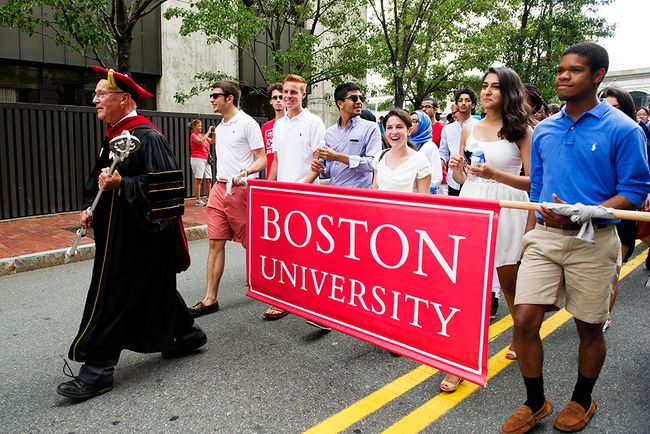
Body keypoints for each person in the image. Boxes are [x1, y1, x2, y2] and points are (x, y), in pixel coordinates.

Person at [501, 42, 650, 434]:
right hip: (545, 239)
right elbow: (539, 184)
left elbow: (634, 188)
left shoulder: (623, 129)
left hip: (593, 239)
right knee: (526, 320)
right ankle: (536, 402)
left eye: (575, 70)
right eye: (561, 69)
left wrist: (595, 208)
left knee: (588, 326)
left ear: (598, 76)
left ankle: (583, 399)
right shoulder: (546, 129)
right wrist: (535, 219)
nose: (563, 76)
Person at [57, 66, 206, 401]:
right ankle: (188, 335)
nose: (94, 99)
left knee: (111, 298)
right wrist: (88, 207)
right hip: (117, 232)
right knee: (155, 289)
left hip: (139, 237)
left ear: (123, 99)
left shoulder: (148, 137)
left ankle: (97, 371)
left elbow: (169, 191)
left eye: (100, 94)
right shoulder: (115, 134)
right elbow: (99, 179)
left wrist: (125, 184)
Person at [446, 67, 533, 393]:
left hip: (508, 205)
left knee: (508, 282)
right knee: (470, 284)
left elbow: (535, 180)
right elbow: (465, 180)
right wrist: (457, 171)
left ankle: (519, 335)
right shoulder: (470, 129)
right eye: (484, 86)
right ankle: (459, 360)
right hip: (473, 203)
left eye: (494, 87)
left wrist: (497, 176)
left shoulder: (521, 129)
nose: (486, 92)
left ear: (508, 91)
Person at [188, 80, 266, 317]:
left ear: (229, 98)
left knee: (252, 243)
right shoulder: (219, 128)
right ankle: (210, 298)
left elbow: (261, 158)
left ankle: (270, 287)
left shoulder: (248, 123)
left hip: (241, 189)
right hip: (219, 190)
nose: (211, 99)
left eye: (215, 95)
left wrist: (248, 172)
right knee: (215, 242)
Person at [264, 73, 326, 323]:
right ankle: (285, 300)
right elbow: (277, 160)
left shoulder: (313, 122)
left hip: (306, 197)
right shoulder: (278, 125)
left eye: (294, 92)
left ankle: (318, 308)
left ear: (304, 94)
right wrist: (269, 191)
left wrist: (300, 188)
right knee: (284, 251)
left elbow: (318, 162)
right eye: (285, 92)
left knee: (309, 253)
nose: (288, 96)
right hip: (283, 198)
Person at [597, 86, 649, 331]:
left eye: (615, 107)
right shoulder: (592, 133)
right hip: (592, 212)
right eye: (604, 105)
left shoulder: (633, 133)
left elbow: (641, 176)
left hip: (622, 211)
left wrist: (645, 194)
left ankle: (604, 314)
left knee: (611, 269)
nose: (608, 111)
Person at [311, 82, 382, 189]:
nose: (359, 102)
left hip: (359, 196)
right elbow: (329, 170)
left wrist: (339, 157)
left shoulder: (371, 128)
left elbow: (373, 163)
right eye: (354, 98)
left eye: (360, 98)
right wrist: (320, 168)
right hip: (335, 194)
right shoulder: (330, 132)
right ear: (340, 104)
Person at [372, 108, 431, 193]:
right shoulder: (380, 157)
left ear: (409, 130)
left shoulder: (421, 162)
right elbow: (374, 192)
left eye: (399, 127)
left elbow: (423, 202)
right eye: (389, 128)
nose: (394, 132)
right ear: (385, 132)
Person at [440, 87, 479, 196]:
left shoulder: (478, 126)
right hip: (453, 178)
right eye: (460, 100)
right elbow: (443, 153)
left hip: (474, 177)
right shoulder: (447, 129)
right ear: (456, 104)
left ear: (473, 104)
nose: (463, 103)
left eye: (467, 100)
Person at [408, 110, 443, 192]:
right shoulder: (405, 143)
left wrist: (424, 189)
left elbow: (437, 176)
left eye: (414, 121)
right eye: (409, 121)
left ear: (423, 124)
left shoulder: (430, 146)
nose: (410, 124)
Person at [187, 119, 214, 206]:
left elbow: (212, 141)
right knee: (199, 179)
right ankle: (198, 200)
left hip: (206, 159)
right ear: (194, 127)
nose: (201, 127)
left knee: (209, 179)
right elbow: (200, 141)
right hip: (197, 159)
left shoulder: (203, 135)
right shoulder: (193, 135)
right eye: (199, 126)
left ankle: (209, 198)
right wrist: (209, 132)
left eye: (201, 126)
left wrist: (214, 133)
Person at [261, 83, 284, 178]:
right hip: (270, 178)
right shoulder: (265, 127)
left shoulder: (293, 124)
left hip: (289, 177)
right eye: (275, 98)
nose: (278, 100)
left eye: (281, 97)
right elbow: (262, 156)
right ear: (270, 101)